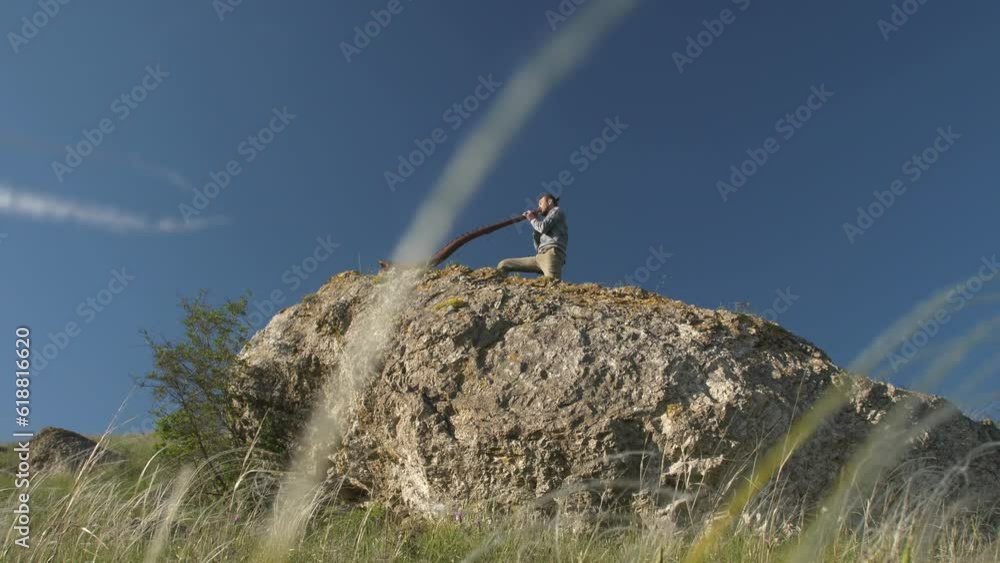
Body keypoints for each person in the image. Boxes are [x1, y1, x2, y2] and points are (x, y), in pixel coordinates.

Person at [497, 193, 569, 280]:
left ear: (549, 202)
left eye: (541, 203)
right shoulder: (544, 221)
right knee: (504, 264)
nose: (539, 207)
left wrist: (532, 219)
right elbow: (537, 245)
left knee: (552, 284)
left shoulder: (557, 211)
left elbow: (542, 227)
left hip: (552, 254)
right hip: (540, 256)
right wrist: (535, 220)